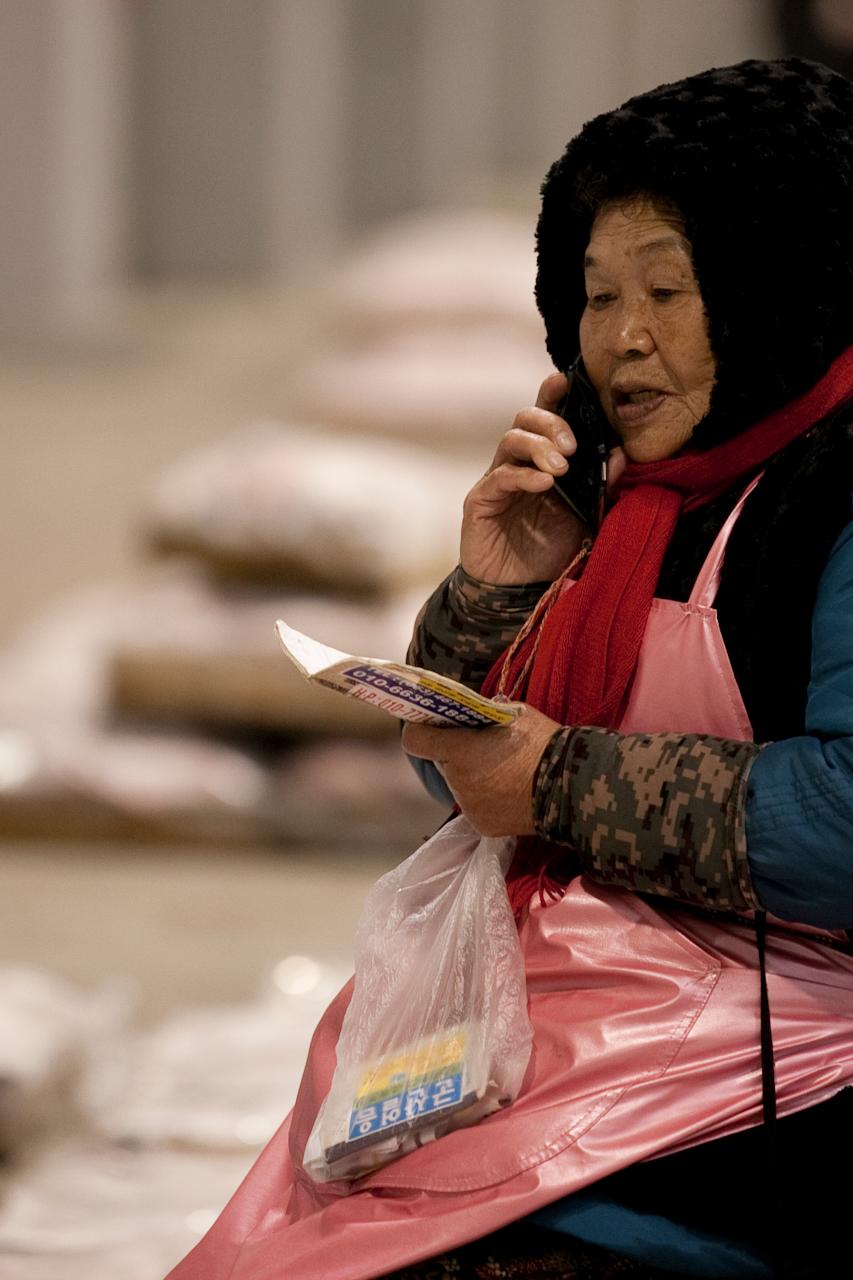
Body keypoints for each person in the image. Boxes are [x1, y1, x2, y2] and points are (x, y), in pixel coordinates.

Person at [166, 58, 853, 1280]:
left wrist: (559, 780)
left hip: (789, 1059)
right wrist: (491, 597)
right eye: (594, 296)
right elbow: (474, 792)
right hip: (596, 1004)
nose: (622, 340)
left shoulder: (833, 499)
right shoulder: (629, 495)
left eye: (667, 291)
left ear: (777, 288)